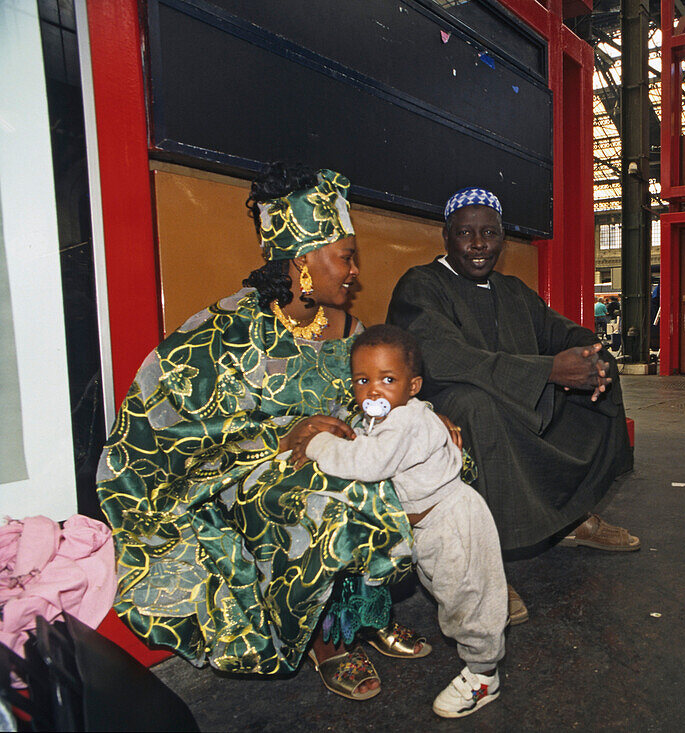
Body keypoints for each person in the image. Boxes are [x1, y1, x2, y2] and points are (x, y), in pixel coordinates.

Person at [95, 164, 433, 702]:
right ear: (302, 263)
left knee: (428, 468)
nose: (354, 271)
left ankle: (365, 615)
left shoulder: (354, 332)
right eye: (345, 257)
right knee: (335, 500)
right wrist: (280, 435)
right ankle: (330, 642)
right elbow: (167, 431)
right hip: (248, 475)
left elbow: (384, 399)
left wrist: (427, 424)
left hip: (343, 453)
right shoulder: (222, 335)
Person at [386, 187, 637, 617]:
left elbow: (558, 331)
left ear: (502, 237)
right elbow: (445, 358)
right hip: (452, 408)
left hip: (519, 399)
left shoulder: (513, 290)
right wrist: (546, 372)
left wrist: (589, 354)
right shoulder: (421, 284)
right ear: (447, 236)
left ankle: (571, 516)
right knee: (477, 405)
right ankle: (482, 567)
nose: (479, 244)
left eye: (490, 233)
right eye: (466, 233)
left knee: (602, 374)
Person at [299, 325, 507, 718]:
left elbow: (369, 463)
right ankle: (486, 626)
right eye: (363, 380)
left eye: (387, 380)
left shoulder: (406, 421)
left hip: (452, 521)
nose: (373, 391)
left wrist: (317, 443)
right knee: (451, 595)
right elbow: (373, 439)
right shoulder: (387, 417)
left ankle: (484, 676)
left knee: (466, 601)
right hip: (427, 527)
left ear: (413, 386)